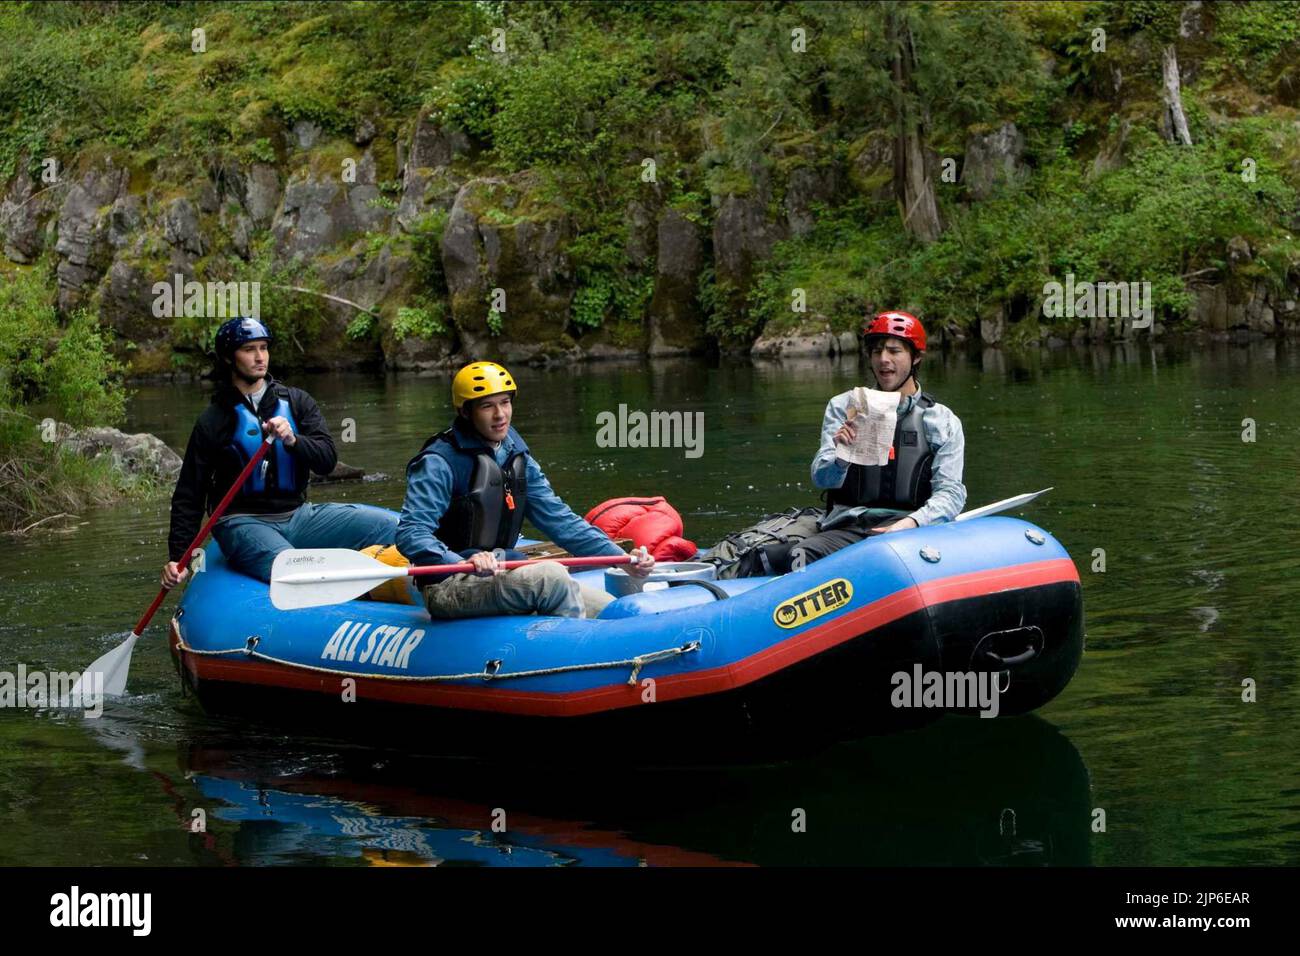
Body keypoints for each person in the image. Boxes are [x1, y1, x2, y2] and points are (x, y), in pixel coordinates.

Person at [396, 361, 654, 619]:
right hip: (449, 585)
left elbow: (560, 521)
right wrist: (459, 562)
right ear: (465, 412)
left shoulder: (515, 455)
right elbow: (411, 532)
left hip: (504, 570)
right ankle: (570, 650)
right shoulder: (438, 462)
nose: (500, 415)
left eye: (505, 402)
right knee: (550, 576)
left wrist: (621, 560)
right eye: (488, 406)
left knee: (610, 608)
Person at [161, 317, 397, 588]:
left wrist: (293, 440)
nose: (260, 357)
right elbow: (189, 495)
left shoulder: (297, 402)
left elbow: (326, 461)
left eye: (263, 348)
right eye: (249, 350)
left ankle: (447, 575)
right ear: (228, 358)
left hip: (299, 517)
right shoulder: (213, 421)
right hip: (241, 523)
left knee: (389, 526)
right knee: (293, 569)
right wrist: (179, 557)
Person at [737, 310, 966, 576]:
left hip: (908, 530)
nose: (884, 360)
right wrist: (841, 458)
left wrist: (910, 523)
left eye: (894, 351)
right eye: (877, 351)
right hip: (849, 526)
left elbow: (951, 494)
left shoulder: (941, 420)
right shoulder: (845, 406)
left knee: (880, 557)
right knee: (792, 556)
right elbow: (823, 480)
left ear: (915, 357)